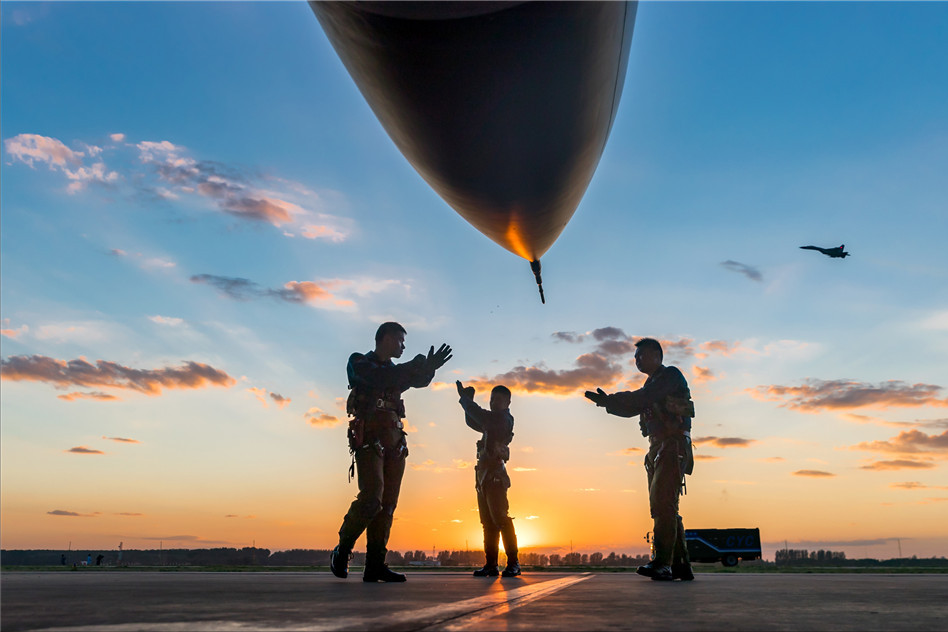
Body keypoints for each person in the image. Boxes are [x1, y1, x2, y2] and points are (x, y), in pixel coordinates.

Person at [330, 322, 452, 582]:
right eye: (400, 340)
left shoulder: (396, 371)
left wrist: (429, 368)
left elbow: (417, 381)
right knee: (372, 497)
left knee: (387, 504)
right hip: (370, 438)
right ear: (385, 338)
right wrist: (415, 365)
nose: (403, 346)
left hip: (395, 440)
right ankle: (343, 549)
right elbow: (380, 378)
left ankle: (375, 566)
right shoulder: (359, 361)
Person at [585, 337, 695, 581]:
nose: (637, 360)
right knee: (665, 505)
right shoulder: (652, 384)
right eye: (635, 357)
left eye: (641, 355)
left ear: (657, 355)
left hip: (672, 445)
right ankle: (680, 566)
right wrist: (607, 403)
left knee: (663, 504)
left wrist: (612, 399)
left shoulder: (670, 376)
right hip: (658, 448)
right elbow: (633, 408)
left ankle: (663, 564)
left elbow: (643, 398)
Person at [456, 380, 520, 578]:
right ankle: (491, 565)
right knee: (488, 522)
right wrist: (468, 401)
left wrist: (466, 400)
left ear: (508, 403)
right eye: (492, 399)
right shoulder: (491, 421)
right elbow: (472, 421)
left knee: (500, 518)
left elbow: (480, 416)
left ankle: (513, 563)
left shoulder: (502, 419)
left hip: (495, 476)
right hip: (483, 476)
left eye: (498, 400)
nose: (494, 403)